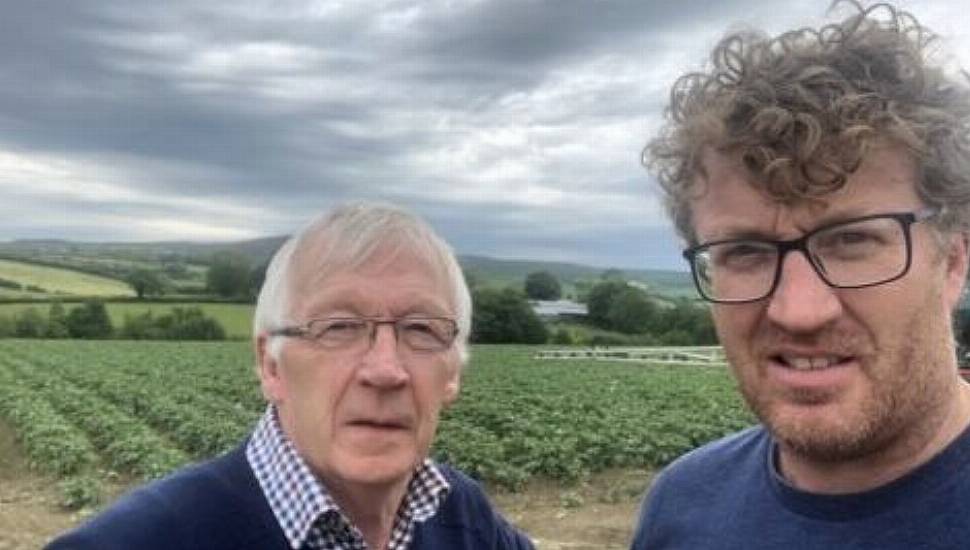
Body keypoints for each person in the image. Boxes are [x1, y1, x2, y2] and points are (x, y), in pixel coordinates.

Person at [632, 2, 970, 549]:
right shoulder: (681, 508)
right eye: (745, 251)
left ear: (953, 260)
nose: (798, 310)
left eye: (852, 240)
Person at [48, 203, 534, 550]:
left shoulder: (464, 518)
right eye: (339, 327)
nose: (386, 370)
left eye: (422, 329)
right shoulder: (139, 541)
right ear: (271, 365)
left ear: (453, 373)